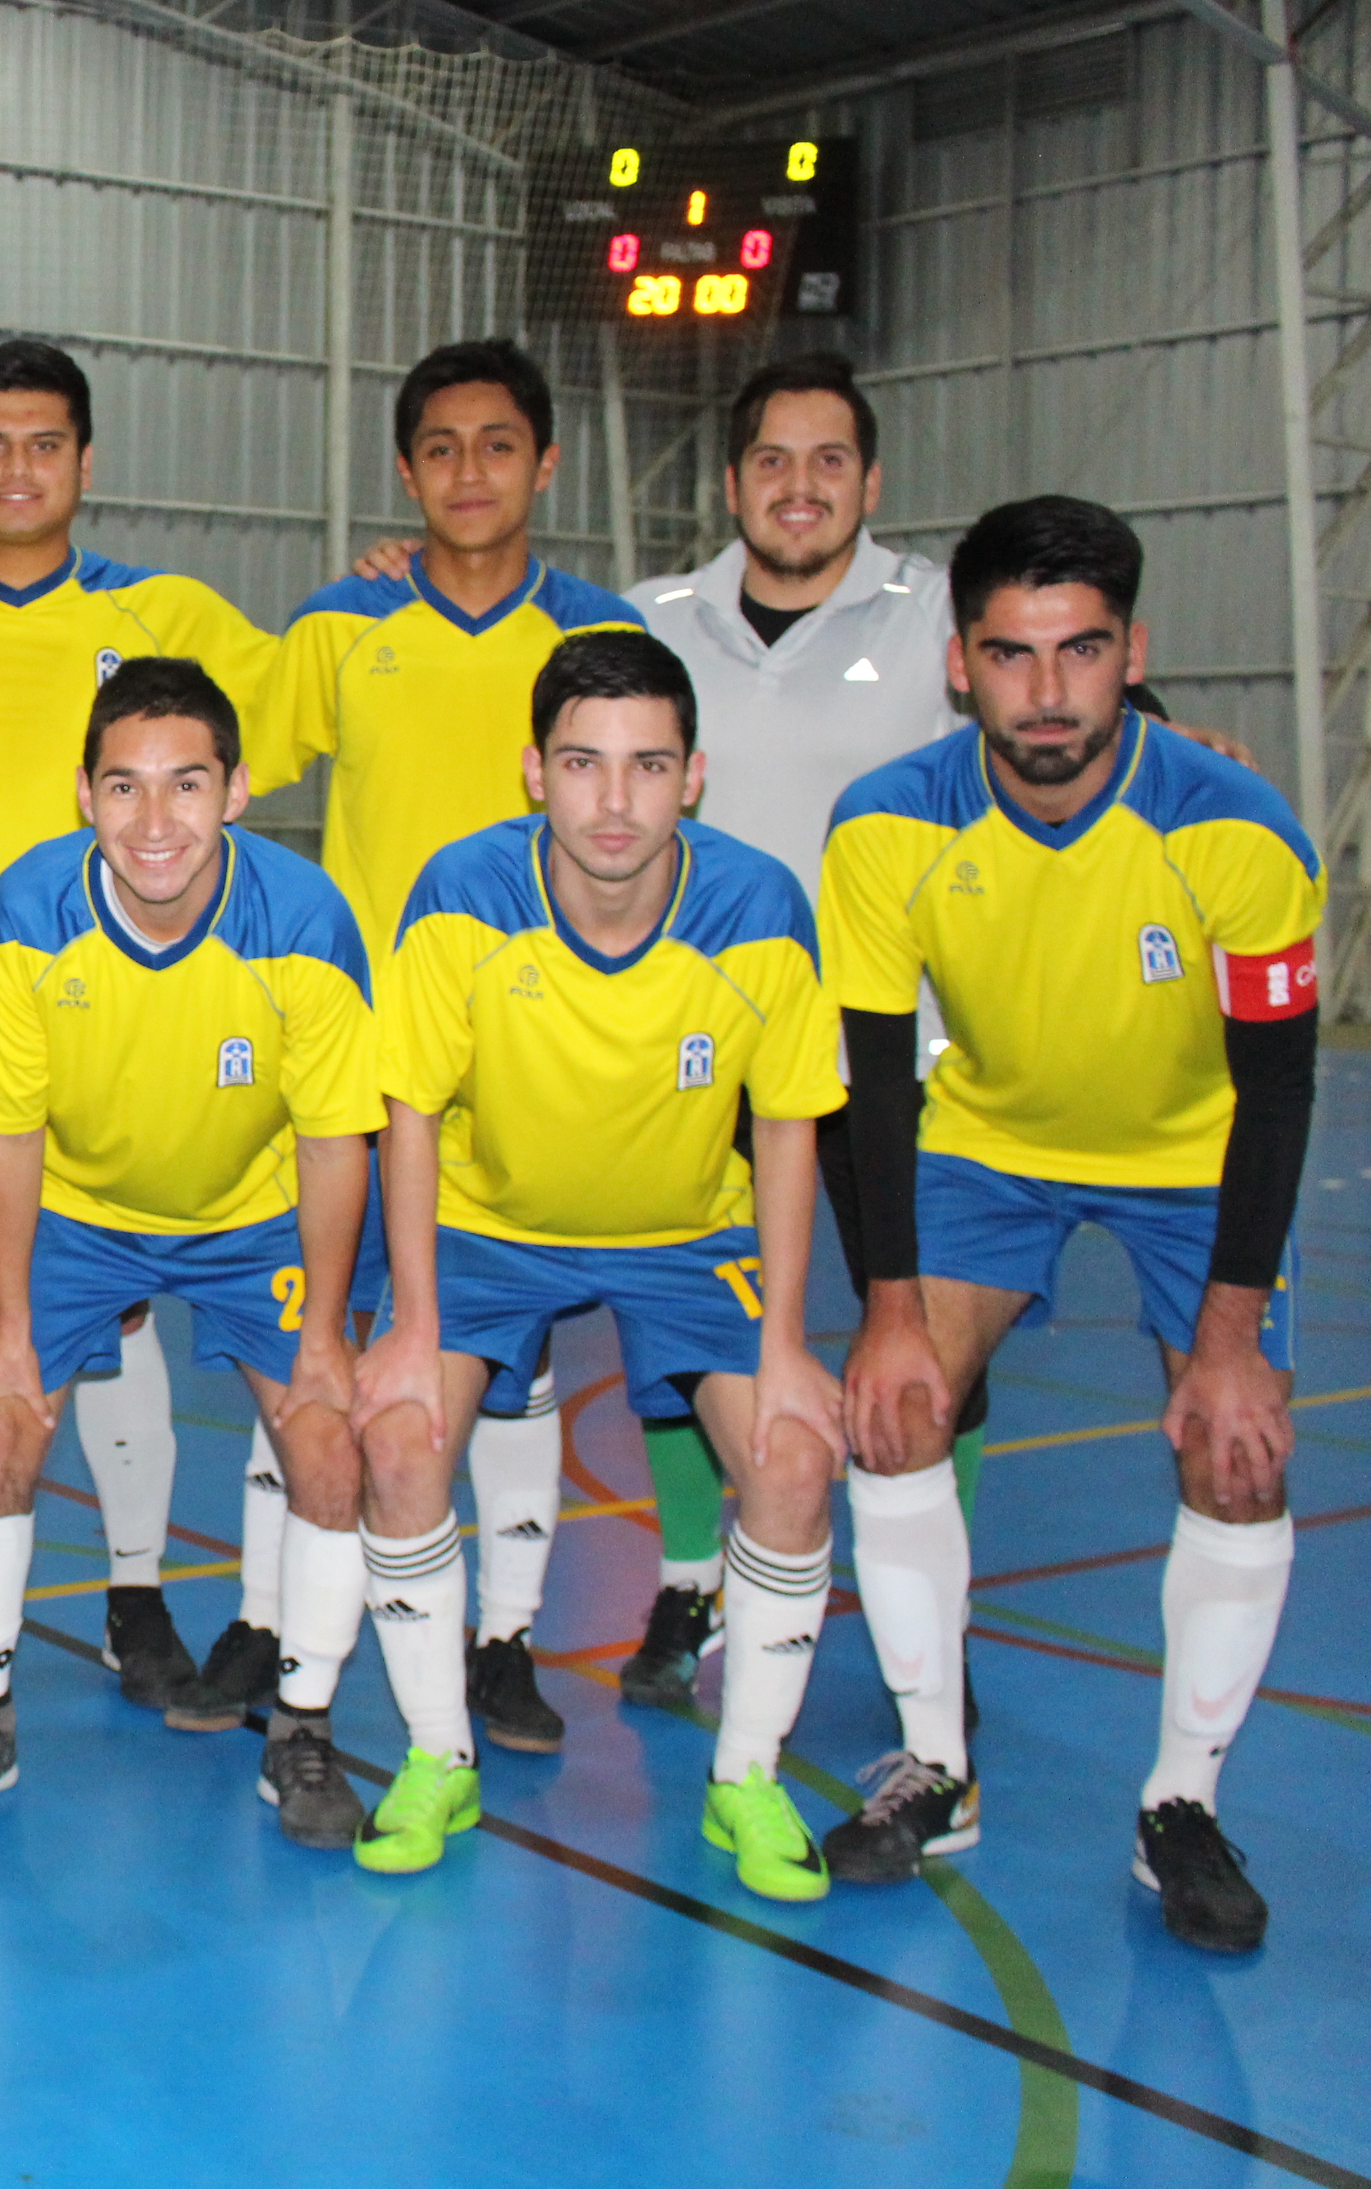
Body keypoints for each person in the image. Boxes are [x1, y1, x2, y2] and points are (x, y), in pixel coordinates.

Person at [821, 497, 1317, 1953]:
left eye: (1081, 651)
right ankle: (937, 1766)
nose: (1047, 691)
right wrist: (891, 1313)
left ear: (1132, 654)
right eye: (1011, 653)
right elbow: (873, 1082)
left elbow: (1279, 1090)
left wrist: (1231, 1342)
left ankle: (1183, 1804)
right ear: (959, 663)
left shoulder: (1236, 830)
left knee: (1238, 1454)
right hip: (991, 1144)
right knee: (896, 1410)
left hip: (1198, 1157)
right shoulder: (887, 826)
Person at [352, 629, 846, 1889]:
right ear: (535, 772)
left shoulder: (758, 909)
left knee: (795, 1460)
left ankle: (746, 1782)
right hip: (490, 1227)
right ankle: (438, 1758)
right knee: (399, 1440)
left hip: (689, 1236)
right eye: (582, 763)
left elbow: (789, 1124)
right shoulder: (462, 893)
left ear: (693, 778)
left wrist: (789, 1342)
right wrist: (412, 1326)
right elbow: (410, 1111)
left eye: (647, 766)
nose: (614, 801)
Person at [0, 338, 293, 1721]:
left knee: (116, 1316)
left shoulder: (168, 612)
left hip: (122, 1022)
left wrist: (400, 577)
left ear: (87, 463)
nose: (18, 468)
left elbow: (327, 692)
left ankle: (135, 1593)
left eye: (45, 443)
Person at [243, 338, 639, 1753]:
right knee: (310, 1332)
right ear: (406, 474)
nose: (471, 471)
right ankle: (269, 1623)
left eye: (498, 444)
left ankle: (505, 1641)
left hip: (534, 1056)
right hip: (359, 1058)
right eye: (442, 448)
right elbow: (220, 772)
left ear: (547, 463)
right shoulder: (343, 627)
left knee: (513, 1352)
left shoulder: (597, 640)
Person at [0, 656, 380, 1840]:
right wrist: (10, 1326)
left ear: (238, 789)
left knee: (331, 1443)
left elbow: (334, 1145)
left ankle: (304, 1731)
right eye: (124, 787)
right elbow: (5, 1131)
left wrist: (326, 1335)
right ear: (84, 794)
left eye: (186, 785)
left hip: (253, 1212)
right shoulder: (28, 914)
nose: (154, 821)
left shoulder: (306, 919)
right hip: (75, 1209)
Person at [612, 351, 962, 1711]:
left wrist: (1187, 743)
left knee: (922, 1345)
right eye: (772, 459)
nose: (799, 486)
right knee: (683, 1327)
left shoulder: (936, 615)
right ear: (731, 481)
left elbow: (1061, 708)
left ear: (871, 482)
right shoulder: (656, 618)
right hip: (696, 1061)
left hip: (890, 1056)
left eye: (829, 461)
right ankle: (689, 1580)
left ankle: (930, 1624)